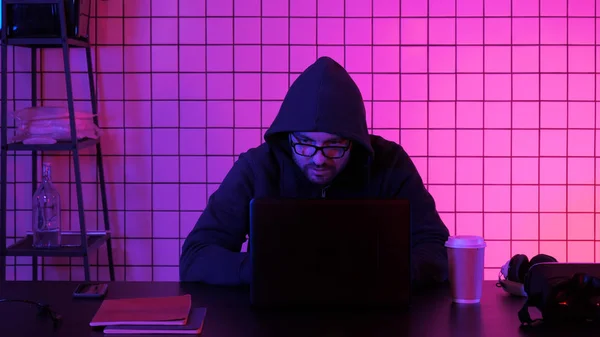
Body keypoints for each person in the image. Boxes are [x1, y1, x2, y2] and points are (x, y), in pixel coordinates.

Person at [179, 56, 450, 288]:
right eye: (305, 144)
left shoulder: (390, 163)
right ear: (287, 138)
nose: (319, 159)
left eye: (334, 146)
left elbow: (435, 247)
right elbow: (196, 255)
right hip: (272, 322)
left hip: (375, 318)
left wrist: (384, 272)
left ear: (354, 143)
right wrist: (261, 269)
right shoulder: (257, 167)